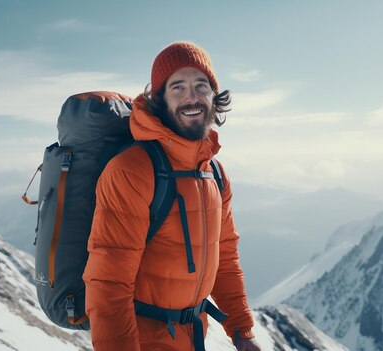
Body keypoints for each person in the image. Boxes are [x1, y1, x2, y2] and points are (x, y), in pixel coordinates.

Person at [83, 42, 261, 351]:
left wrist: (242, 331)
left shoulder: (214, 173)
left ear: (214, 96)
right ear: (160, 100)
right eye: (177, 87)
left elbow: (226, 258)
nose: (191, 97)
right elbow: (108, 282)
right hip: (143, 339)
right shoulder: (133, 170)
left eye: (200, 86)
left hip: (192, 336)